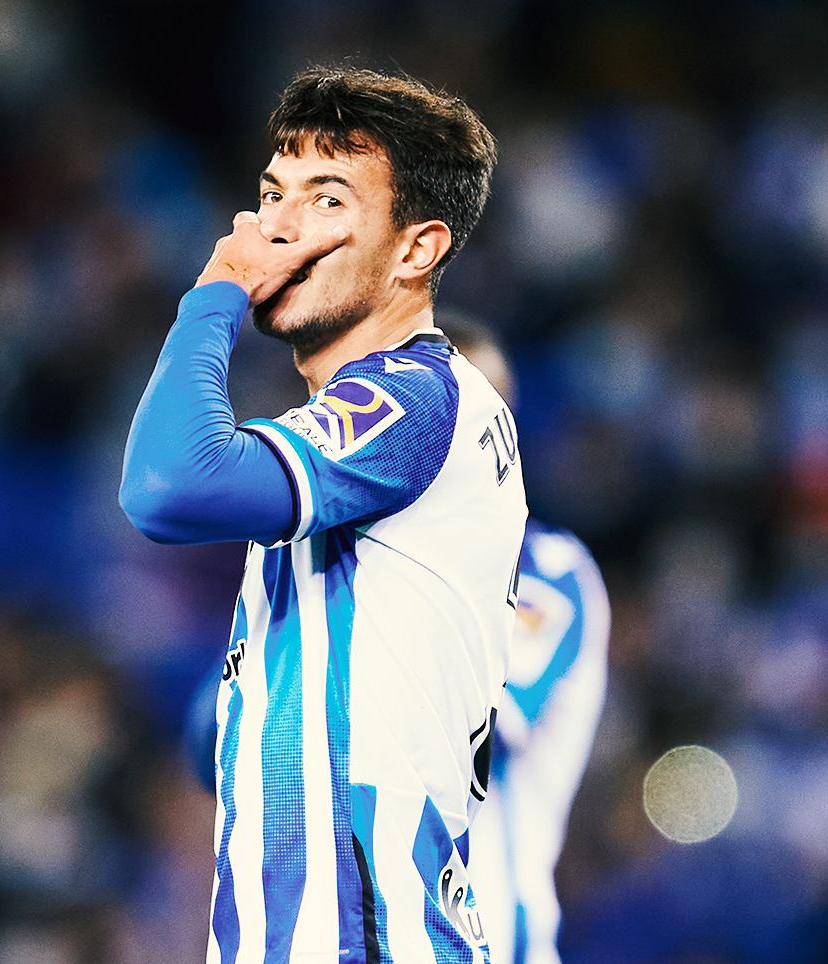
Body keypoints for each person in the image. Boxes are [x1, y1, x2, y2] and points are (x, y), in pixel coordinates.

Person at [120, 67, 525, 964]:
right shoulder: (365, 437)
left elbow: (167, 486)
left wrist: (216, 291)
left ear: (417, 251)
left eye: (327, 198)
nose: (278, 225)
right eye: (272, 193)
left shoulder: (417, 393)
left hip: (361, 935)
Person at [436, 313, 610, 964]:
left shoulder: (545, 570)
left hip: (477, 935)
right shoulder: (332, 564)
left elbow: (469, 728)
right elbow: (220, 734)